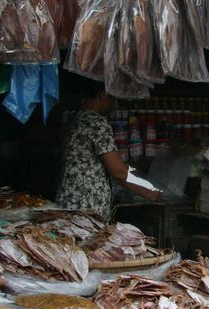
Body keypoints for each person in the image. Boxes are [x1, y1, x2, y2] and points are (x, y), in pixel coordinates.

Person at [56, 81, 160, 220]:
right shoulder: (97, 123)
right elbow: (118, 172)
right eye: (114, 98)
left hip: (67, 199)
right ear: (103, 95)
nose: (116, 105)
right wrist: (149, 191)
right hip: (87, 206)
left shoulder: (74, 118)